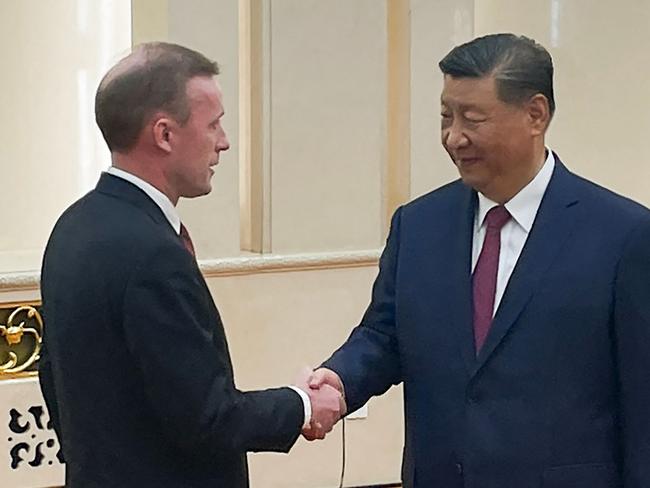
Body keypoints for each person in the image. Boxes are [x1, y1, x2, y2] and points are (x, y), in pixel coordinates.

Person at [310, 33, 650, 487]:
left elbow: (642, 400)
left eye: (473, 119)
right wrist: (338, 379)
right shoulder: (419, 225)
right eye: (446, 117)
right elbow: (385, 333)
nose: (454, 137)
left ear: (535, 115)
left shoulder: (622, 235)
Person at [38, 42, 343, 488]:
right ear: (164, 134)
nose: (224, 141)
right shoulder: (153, 254)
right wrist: (301, 405)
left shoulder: (72, 228)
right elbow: (207, 418)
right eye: (214, 124)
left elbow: (54, 376)